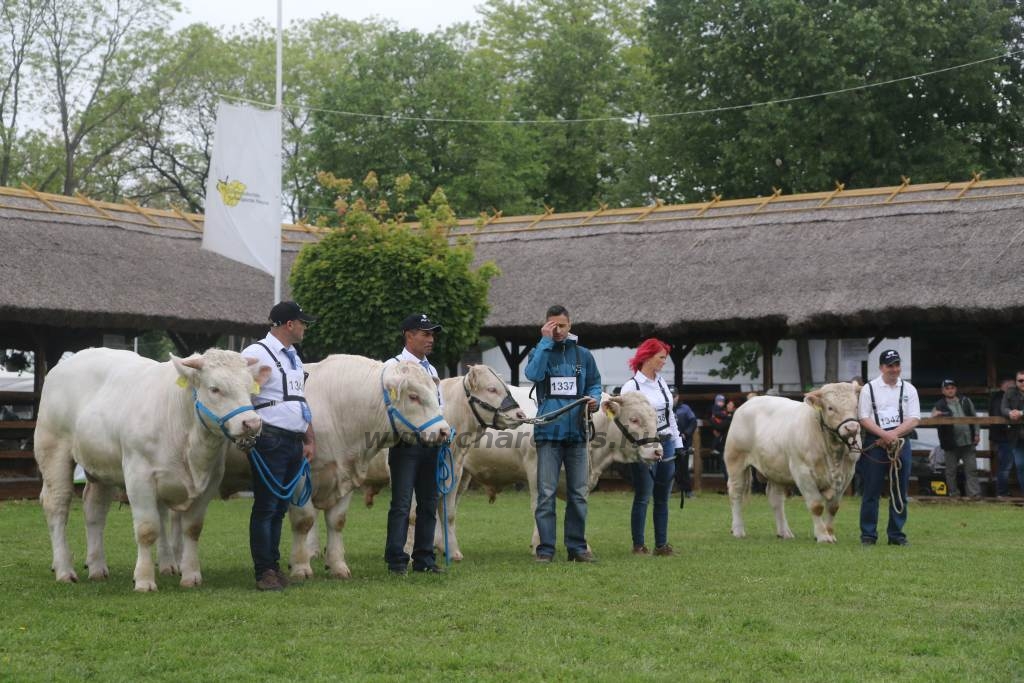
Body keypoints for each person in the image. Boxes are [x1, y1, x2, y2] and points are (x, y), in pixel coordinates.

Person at [242, 301, 317, 591]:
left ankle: (272, 565)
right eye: (302, 322)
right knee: (267, 505)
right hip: (269, 436)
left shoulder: (294, 357)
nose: (304, 327)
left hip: (293, 438)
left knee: (279, 507)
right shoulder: (254, 353)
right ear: (289, 324)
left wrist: (309, 437)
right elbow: (241, 394)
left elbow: (299, 399)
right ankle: (265, 570)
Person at [524, 305, 602, 563]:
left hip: (577, 432)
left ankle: (577, 547)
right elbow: (533, 374)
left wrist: (596, 400)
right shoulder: (539, 351)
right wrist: (545, 343)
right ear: (546, 326)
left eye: (562, 325)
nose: (558, 330)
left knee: (578, 493)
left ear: (570, 326)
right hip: (548, 432)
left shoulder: (584, 355)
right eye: (553, 326)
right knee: (546, 493)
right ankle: (545, 549)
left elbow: (594, 383)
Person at [383, 313, 446, 576]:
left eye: (432, 334)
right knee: (402, 503)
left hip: (432, 444)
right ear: (409, 335)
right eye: (425, 334)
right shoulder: (392, 368)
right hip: (406, 444)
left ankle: (424, 559)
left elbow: (436, 407)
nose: (431, 339)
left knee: (429, 503)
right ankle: (397, 559)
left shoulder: (431, 370)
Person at [620, 339, 682, 557]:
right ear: (647, 357)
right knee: (644, 495)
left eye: (665, 357)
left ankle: (662, 545)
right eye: (661, 357)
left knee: (663, 496)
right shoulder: (631, 386)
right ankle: (639, 545)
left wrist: (678, 443)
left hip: (666, 442)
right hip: (645, 445)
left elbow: (670, 415)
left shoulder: (661, 382)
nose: (664, 362)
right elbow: (625, 421)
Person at [858, 349, 920, 546]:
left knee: (900, 490)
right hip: (875, 443)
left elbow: (914, 419)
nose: (894, 369)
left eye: (896, 365)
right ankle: (868, 535)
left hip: (901, 443)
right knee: (871, 490)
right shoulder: (869, 388)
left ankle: (896, 534)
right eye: (889, 365)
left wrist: (893, 434)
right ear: (881, 367)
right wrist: (884, 435)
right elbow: (863, 417)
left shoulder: (909, 389)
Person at [931, 378, 980, 499]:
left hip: (968, 441)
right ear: (943, 391)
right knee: (950, 471)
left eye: (952, 388)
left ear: (956, 389)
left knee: (971, 469)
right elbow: (931, 417)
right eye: (947, 388)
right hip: (950, 443)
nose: (950, 390)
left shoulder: (966, 401)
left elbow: (975, 418)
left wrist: (977, 434)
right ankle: (954, 495)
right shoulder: (939, 405)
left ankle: (974, 495)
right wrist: (936, 415)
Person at [990, 378, 1017, 497]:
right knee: (1005, 466)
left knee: (1007, 465)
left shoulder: (1000, 397)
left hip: (1005, 437)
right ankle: (1002, 493)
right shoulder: (1000, 398)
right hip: (1004, 437)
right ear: (1004, 386)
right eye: (1011, 386)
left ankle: (1003, 492)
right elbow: (1000, 418)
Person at [1000, 370, 1024, 498]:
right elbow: (1003, 408)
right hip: (1017, 437)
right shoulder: (1010, 392)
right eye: (1020, 380)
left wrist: (1021, 413)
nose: (1023, 383)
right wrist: (1010, 413)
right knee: (1020, 466)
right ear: (1016, 381)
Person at [673, 392, 697, 507]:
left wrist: (686, 434)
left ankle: (688, 490)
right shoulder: (665, 408)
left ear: (678, 396)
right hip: (668, 443)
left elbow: (693, 422)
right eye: (671, 396)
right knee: (669, 467)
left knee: (683, 468)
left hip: (683, 444)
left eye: (674, 396)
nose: (673, 398)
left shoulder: (685, 409)